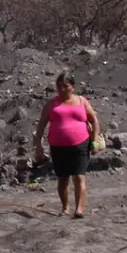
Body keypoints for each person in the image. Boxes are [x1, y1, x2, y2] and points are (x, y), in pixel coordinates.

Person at [34, 72, 100, 219]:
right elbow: (41, 126)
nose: (61, 89)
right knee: (63, 179)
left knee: (79, 176)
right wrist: (38, 145)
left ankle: (79, 209)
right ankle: (65, 207)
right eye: (58, 86)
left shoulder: (82, 101)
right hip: (58, 147)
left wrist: (94, 141)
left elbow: (94, 120)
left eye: (65, 86)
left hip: (81, 144)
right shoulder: (51, 104)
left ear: (73, 87)